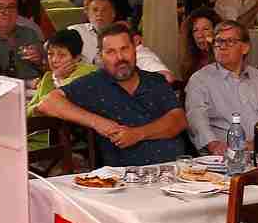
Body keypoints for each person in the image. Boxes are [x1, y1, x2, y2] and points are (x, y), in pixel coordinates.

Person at [34, 23, 187, 166]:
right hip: (125, 179)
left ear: (135, 49)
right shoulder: (93, 84)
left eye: (124, 49)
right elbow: (48, 103)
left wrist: (137, 134)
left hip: (177, 170)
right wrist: (99, 123)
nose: (120, 58)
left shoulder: (155, 81)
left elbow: (179, 121)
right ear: (101, 56)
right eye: (111, 52)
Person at [185, 21, 258, 156]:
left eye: (230, 41)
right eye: (218, 41)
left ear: (245, 48)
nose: (222, 47)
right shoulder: (200, 79)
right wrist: (214, 145)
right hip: (223, 156)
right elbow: (196, 120)